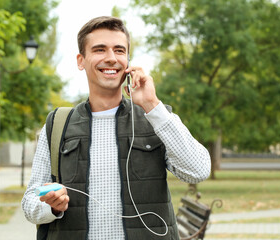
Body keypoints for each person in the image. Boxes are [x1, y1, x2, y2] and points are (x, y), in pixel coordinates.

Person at [22, 16, 211, 240]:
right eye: (100, 49)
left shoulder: (156, 117)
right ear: (81, 60)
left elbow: (198, 170)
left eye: (119, 50)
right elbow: (30, 203)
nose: (111, 58)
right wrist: (51, 206)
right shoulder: (57, 124)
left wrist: (152, 104)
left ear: (128, 61)